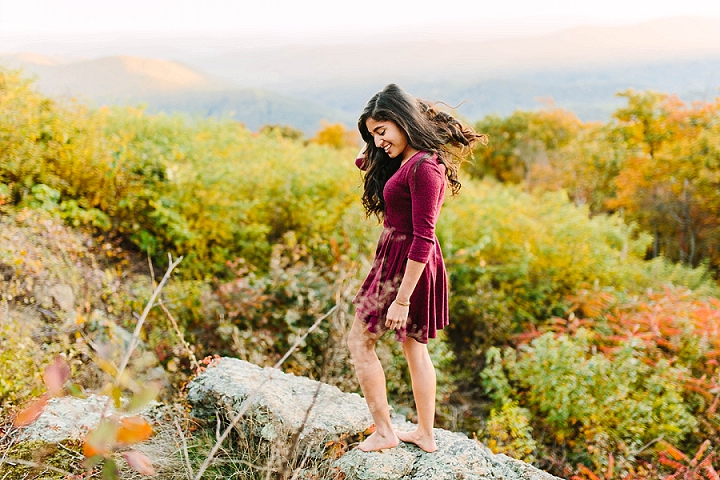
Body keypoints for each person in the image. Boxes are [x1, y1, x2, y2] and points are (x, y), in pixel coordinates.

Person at [347, 84, 486, 453]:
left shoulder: (425, 168)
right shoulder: (407, 158)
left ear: (403, 121)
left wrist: (402, 300)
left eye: (382, 131)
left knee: (360, 342)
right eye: (372, 134)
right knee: (413, 349)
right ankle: (424, 434)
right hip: (397, 258)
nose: (378, 143)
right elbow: (363, 162)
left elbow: (425, 236)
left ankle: (386, 431)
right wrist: (376, 138)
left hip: (410, 264)